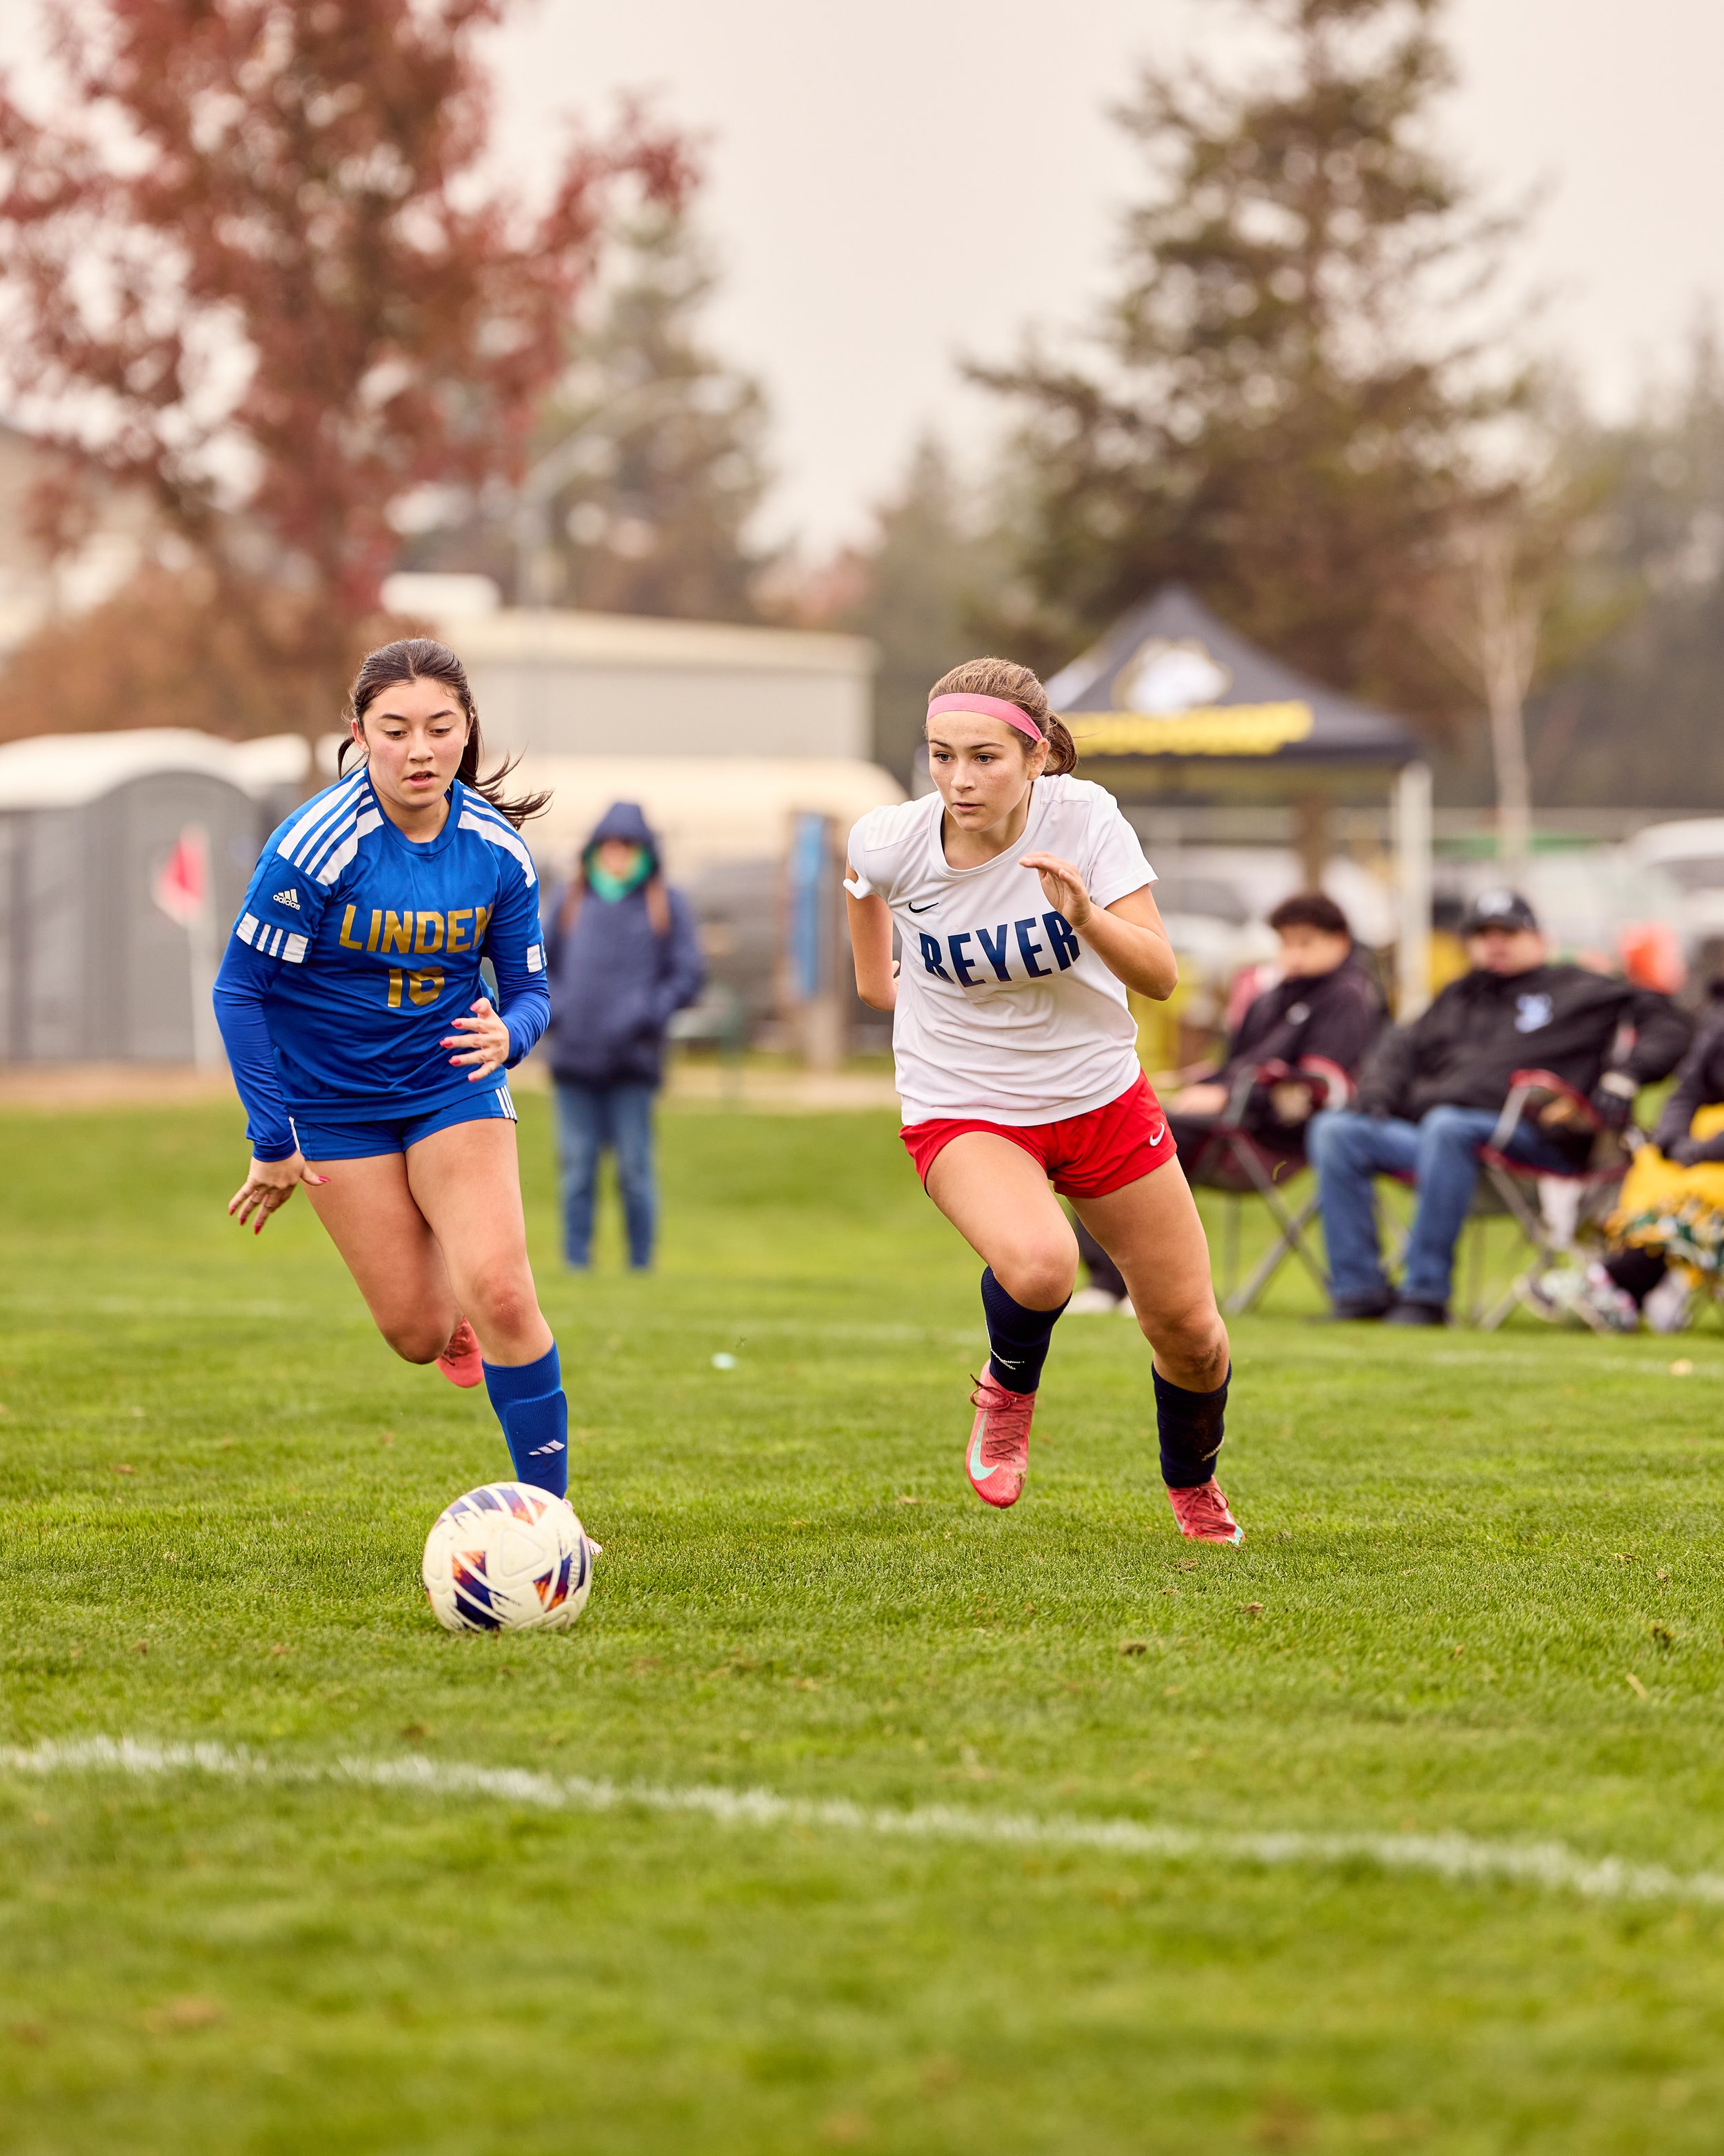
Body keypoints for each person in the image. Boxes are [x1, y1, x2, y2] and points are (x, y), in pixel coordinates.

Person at [845, 656, 1241, 1544]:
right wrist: (892, 989)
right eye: (941, 755)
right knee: (1040, 1264)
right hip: (965, 1104)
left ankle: (1192, 1488)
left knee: (1190, 1332)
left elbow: (1163, 975)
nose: (958, 779)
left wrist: (1087, 918)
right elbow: (869, 932)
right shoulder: (890, 839)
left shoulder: (1086, 818)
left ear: (1035, 758)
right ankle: (1006, 1394)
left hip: (1100, 1098)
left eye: (984, 757)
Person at [212, 637, 576, 1501]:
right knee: (416, 1331)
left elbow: (529, 992)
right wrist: (273, 1140)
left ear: (467, 730)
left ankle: (550, 1518)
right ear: (360, 733)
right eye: (396, 730)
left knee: (503, 1289)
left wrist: (510, 1037)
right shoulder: (313, 848)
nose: (420, 751)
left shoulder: (497, 852)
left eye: (440, 729)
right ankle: (451, 1321)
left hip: (451, 1084)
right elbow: (240, 992)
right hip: (334, 1105)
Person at [1308, 888, 1692, 1326]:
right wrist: (1376, 1092)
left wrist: (1626, 1074)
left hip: (1533, 1144)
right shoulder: (1459, 996)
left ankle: (1424, 1295)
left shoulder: (1578, 987)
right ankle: (1359, 1292)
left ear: (1538, 938)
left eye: (1507, 931)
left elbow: (1672, 1024)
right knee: (1336, 1131)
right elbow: (1397, 1049)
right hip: (1440, 1141)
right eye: (1483, 933)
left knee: (1446, 1125)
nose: (1495, 942)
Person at [1070, 890, 1383, 1312]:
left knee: (1147, 1137)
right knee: (1110, 1123)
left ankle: (1153, 1289)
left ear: (1340, 942)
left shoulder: (1349, 996)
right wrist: (1205, 1082)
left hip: (1273, 1138)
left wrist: (1229, 1096)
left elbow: (1320, 1086)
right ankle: (1108, 1284)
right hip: (1222, 1127)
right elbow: (1235, 1064)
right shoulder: (1269, 998)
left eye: (1306, 943)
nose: (1293, 955)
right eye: (1286, 943)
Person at [544, 801, 705, 1270]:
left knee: (635, 1171)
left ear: (645, 852)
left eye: (627, 846)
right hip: (573, 1060)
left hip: (634, 1061)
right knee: (576, 1170)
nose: (617, 855)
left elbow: (688, 973)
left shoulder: (664, 902)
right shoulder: (571, 900)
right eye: (609, 846)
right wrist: (563, 1011)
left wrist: (645, 1014)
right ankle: (577, 1263)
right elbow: (538, 968)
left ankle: (640, 1264)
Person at [1533, 994, 1724, 1332]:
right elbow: (1688, 1087)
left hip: (1713, 1157)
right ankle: (1626, 1288)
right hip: (1700, 1143)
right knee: (1655, 1170)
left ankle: (1614, 1284)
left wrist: (1702, 1151)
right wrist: (1673, 1139)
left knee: (1694, 1197)